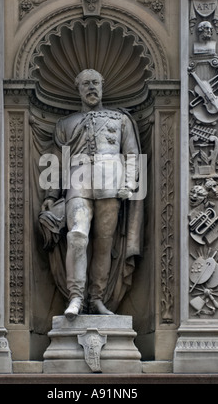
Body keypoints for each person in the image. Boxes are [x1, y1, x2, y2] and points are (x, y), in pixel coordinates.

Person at [41, 69, 142, 320]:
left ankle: (97, 298)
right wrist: (52, 194)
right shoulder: (65, 124)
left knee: (104, 245)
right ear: (78, 88)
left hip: (111, 183)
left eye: (95, 82)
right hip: (78, 181)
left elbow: (131, 154)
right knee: (77, 236)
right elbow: (56, 161)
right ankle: (75, 296)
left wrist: (129, 183)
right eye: (85, 83)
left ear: (103, 85)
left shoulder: (120, 120)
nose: (91, 87)